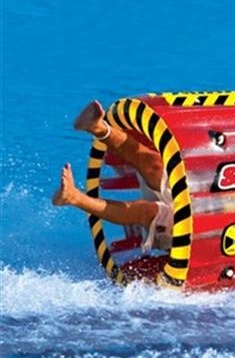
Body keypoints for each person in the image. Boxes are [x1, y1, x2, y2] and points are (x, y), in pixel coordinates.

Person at [52, 100, 173, 252]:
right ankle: (99, 128)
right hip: (190, 193)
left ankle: (74, 197)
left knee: (148, 211)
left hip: (189, 231)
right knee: (156, 165)